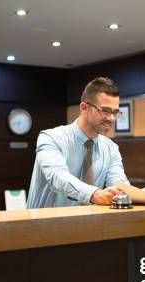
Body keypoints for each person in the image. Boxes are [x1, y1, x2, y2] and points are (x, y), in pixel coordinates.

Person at [26, 77, 129, 208]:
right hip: (44, 225)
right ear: (84, 108)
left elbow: (119, 184)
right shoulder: (51, 138)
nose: (111, 118)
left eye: (115, 112)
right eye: (105, 111)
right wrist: (94, 195)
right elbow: (57, 178)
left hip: (88, 226)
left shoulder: (111, 148)